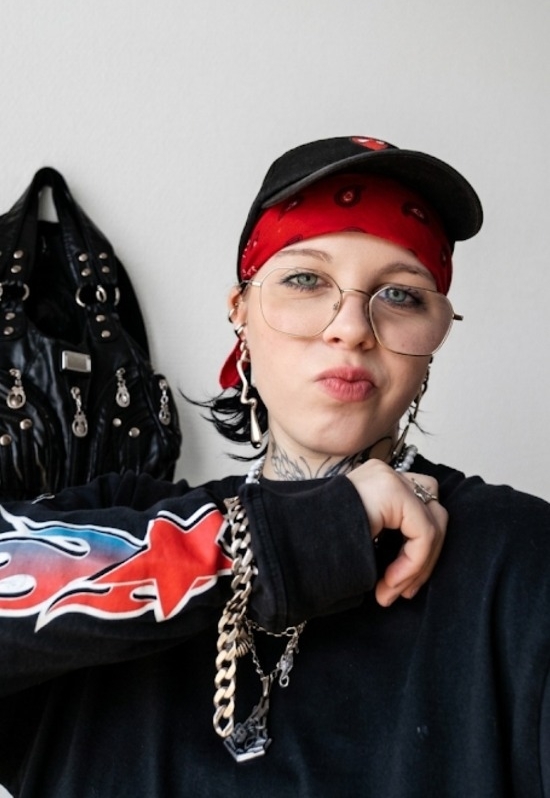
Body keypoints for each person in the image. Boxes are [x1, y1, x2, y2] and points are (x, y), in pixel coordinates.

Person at [0, 133, 547, 798]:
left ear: (435, 335)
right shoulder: (118, 519)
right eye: (305, 279)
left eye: (401, 294)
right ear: (241, 314)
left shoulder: (516, 559)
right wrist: (295, 539)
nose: (352, 327)